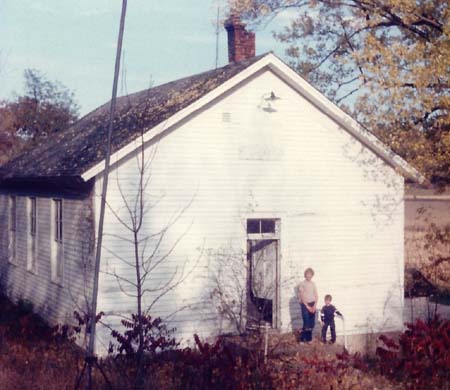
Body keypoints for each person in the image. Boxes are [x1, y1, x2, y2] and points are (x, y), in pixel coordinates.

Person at [298, 267, 318, 343]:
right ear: (305, 275)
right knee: (306, 322)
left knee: (311, 323)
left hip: (313, 304)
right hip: (305, 304)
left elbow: (316, 295)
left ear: (312, 275)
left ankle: (309, 339)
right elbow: (302, 296)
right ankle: (302, 339)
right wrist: (307, 306)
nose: (309, 276)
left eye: (310, 274)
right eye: (307, 274)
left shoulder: (313, 284)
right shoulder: (302, 284)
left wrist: (314, 305)